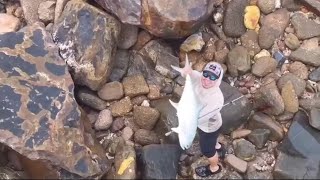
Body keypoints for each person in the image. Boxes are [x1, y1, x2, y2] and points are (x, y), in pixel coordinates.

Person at [179, 57, 226, 177]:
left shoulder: (217, 99)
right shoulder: (199, 78)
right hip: (212, 123)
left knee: (207, 150)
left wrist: (184, 120)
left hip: (209, 127)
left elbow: (199, 118)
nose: (207, 79)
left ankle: (214, 168)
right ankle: (218, 146)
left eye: (213, 77)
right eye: (206, 74)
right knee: (213, 141)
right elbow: (192, 74)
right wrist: (187, 71)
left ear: (218, 80)